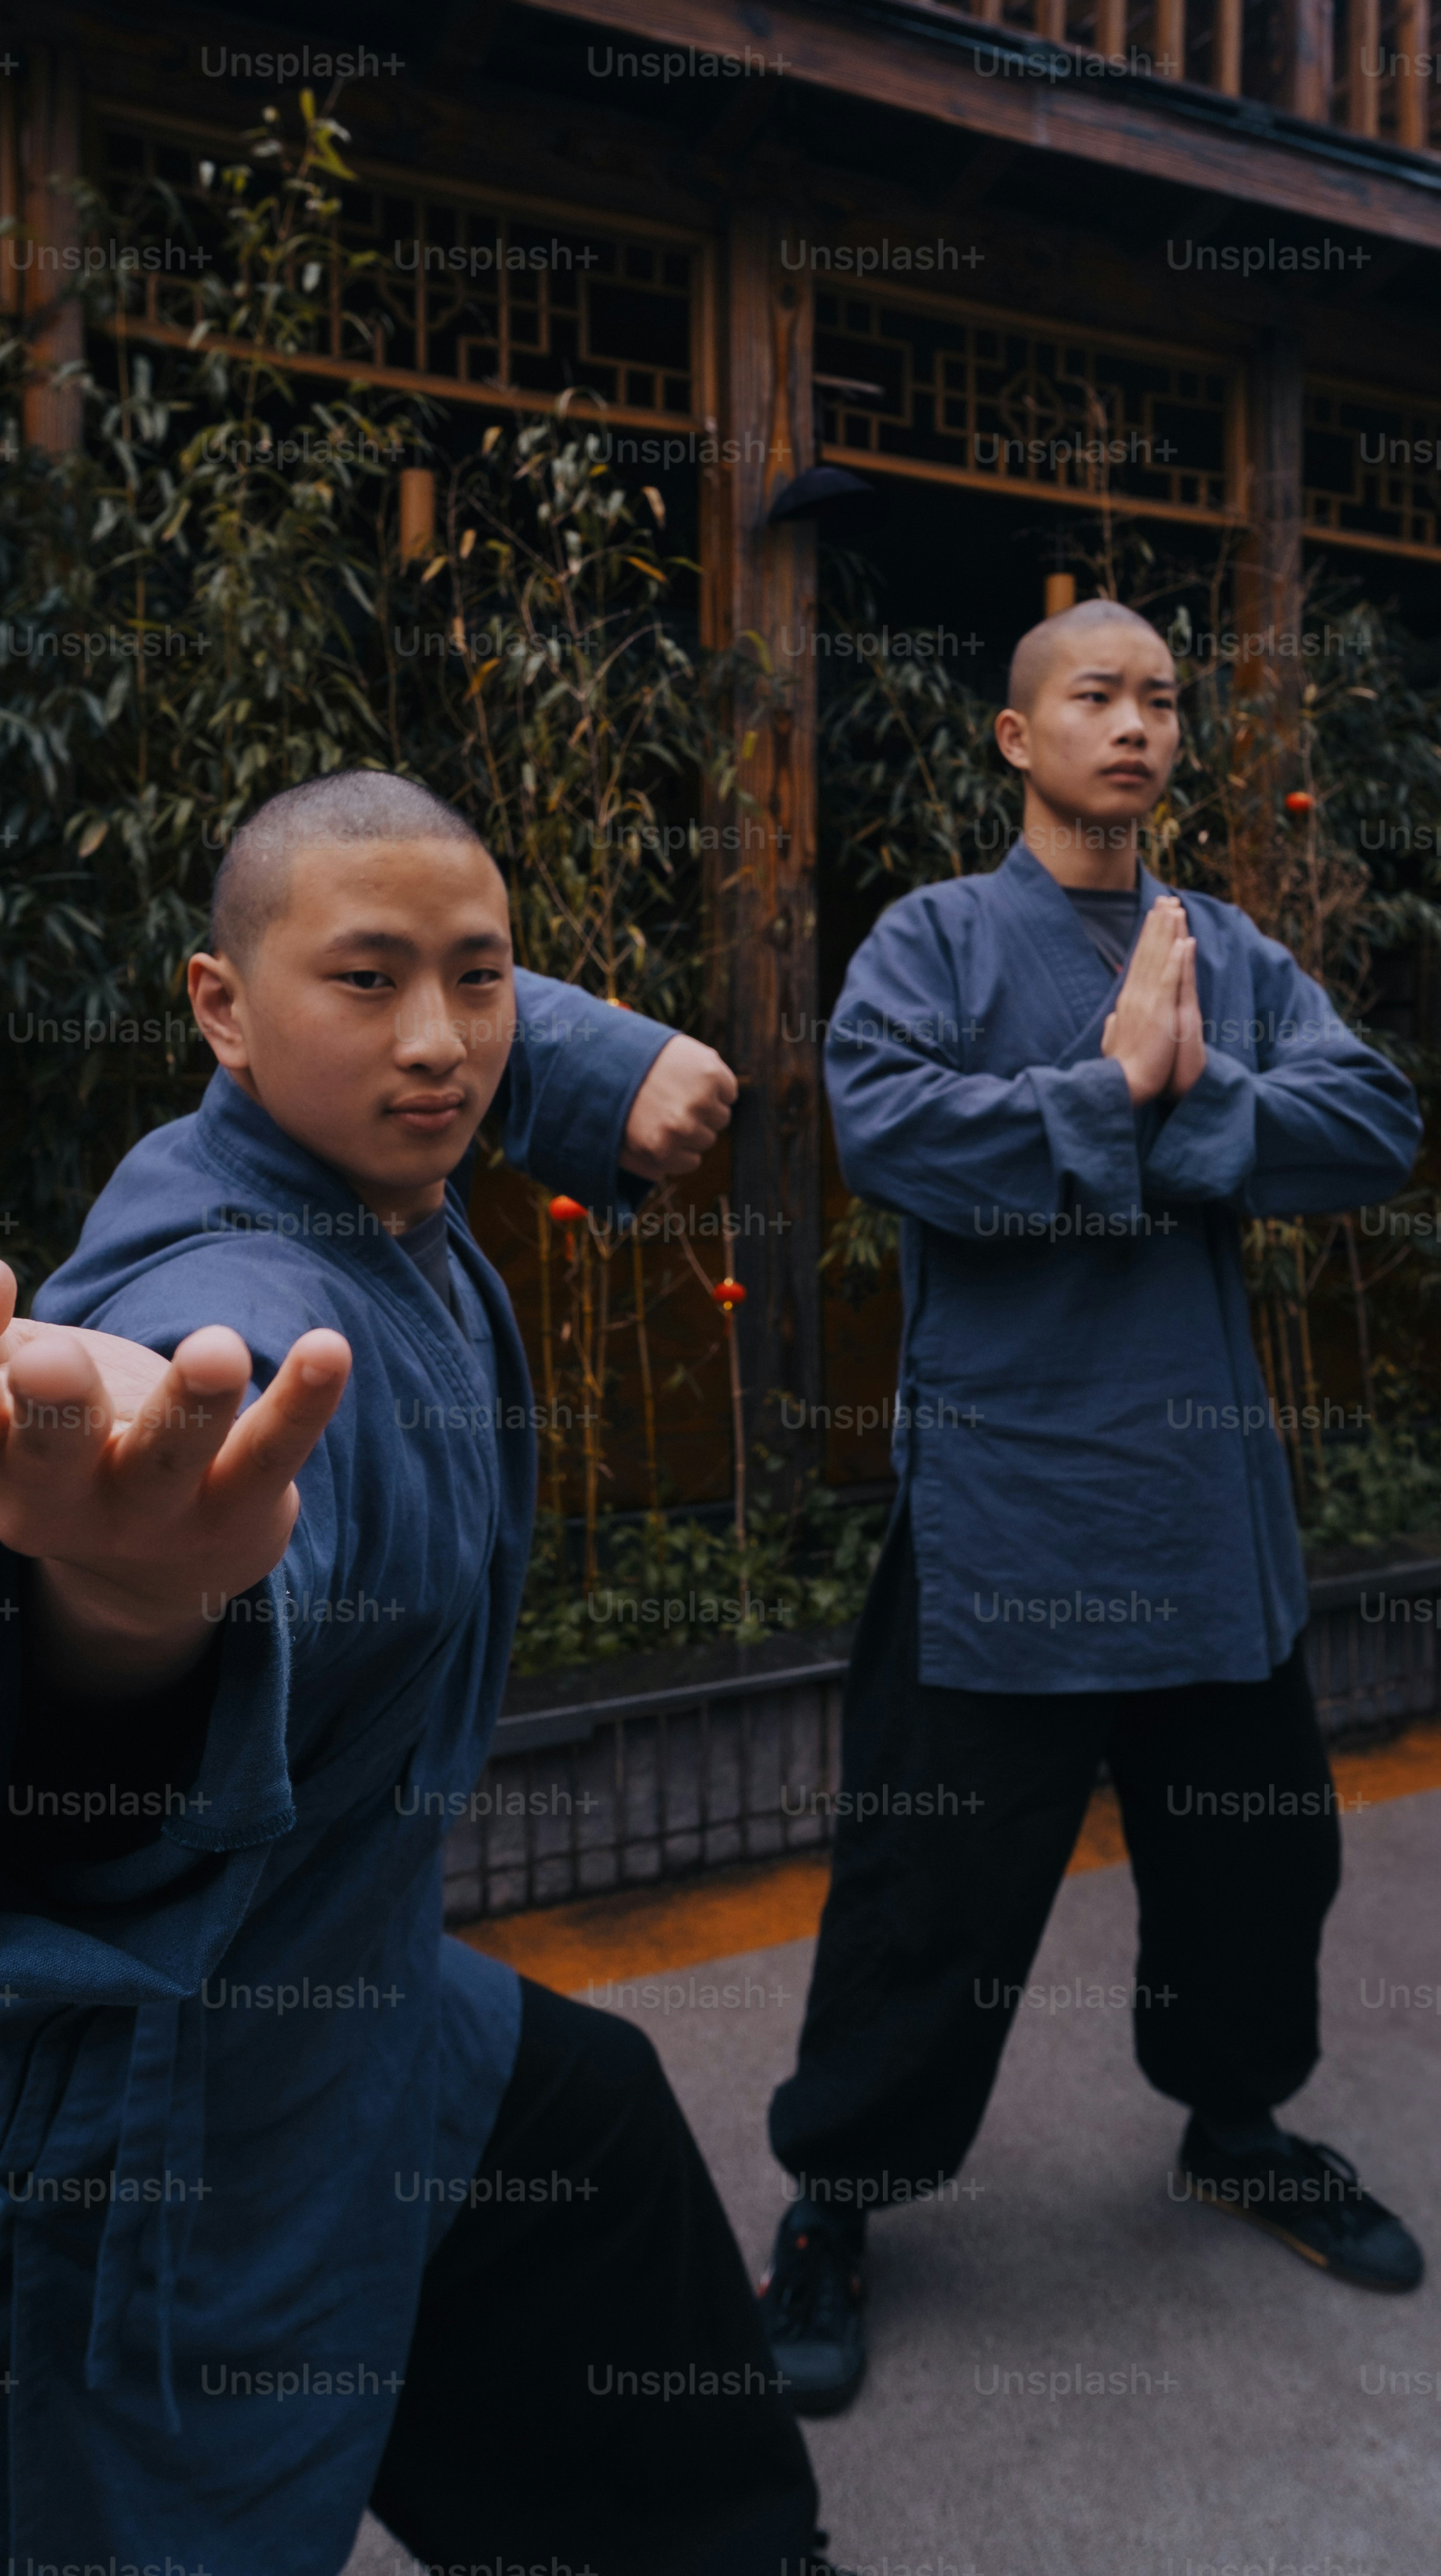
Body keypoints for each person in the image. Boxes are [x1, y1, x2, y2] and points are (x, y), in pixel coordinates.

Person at [0, 772, 834, 2576]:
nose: (439, 1045)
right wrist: (127, 1606)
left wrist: (587, 1057)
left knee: (591, 2120)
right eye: (369, 984)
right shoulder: (245, 1290)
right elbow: (214, 1471)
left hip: (343, 1980)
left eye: (480, 984)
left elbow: (412, 986)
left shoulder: (381, 1148)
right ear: (215, 1012)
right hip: (35, 2110)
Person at [757, 600, 1426, 2418]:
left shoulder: (1224, 945)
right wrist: (1113, 1086)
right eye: (1093, 698)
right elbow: (890, 1135)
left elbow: (1372, 1123)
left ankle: (1235, 2124)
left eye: (1157, 700)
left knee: (1255, 1862)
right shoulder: (934, 940)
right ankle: (836, 2195)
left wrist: (1171, 1109)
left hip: (1200, 1515)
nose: (1132, 726)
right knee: (930, 1893)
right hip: (1008, 1520)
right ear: (1015, 738)